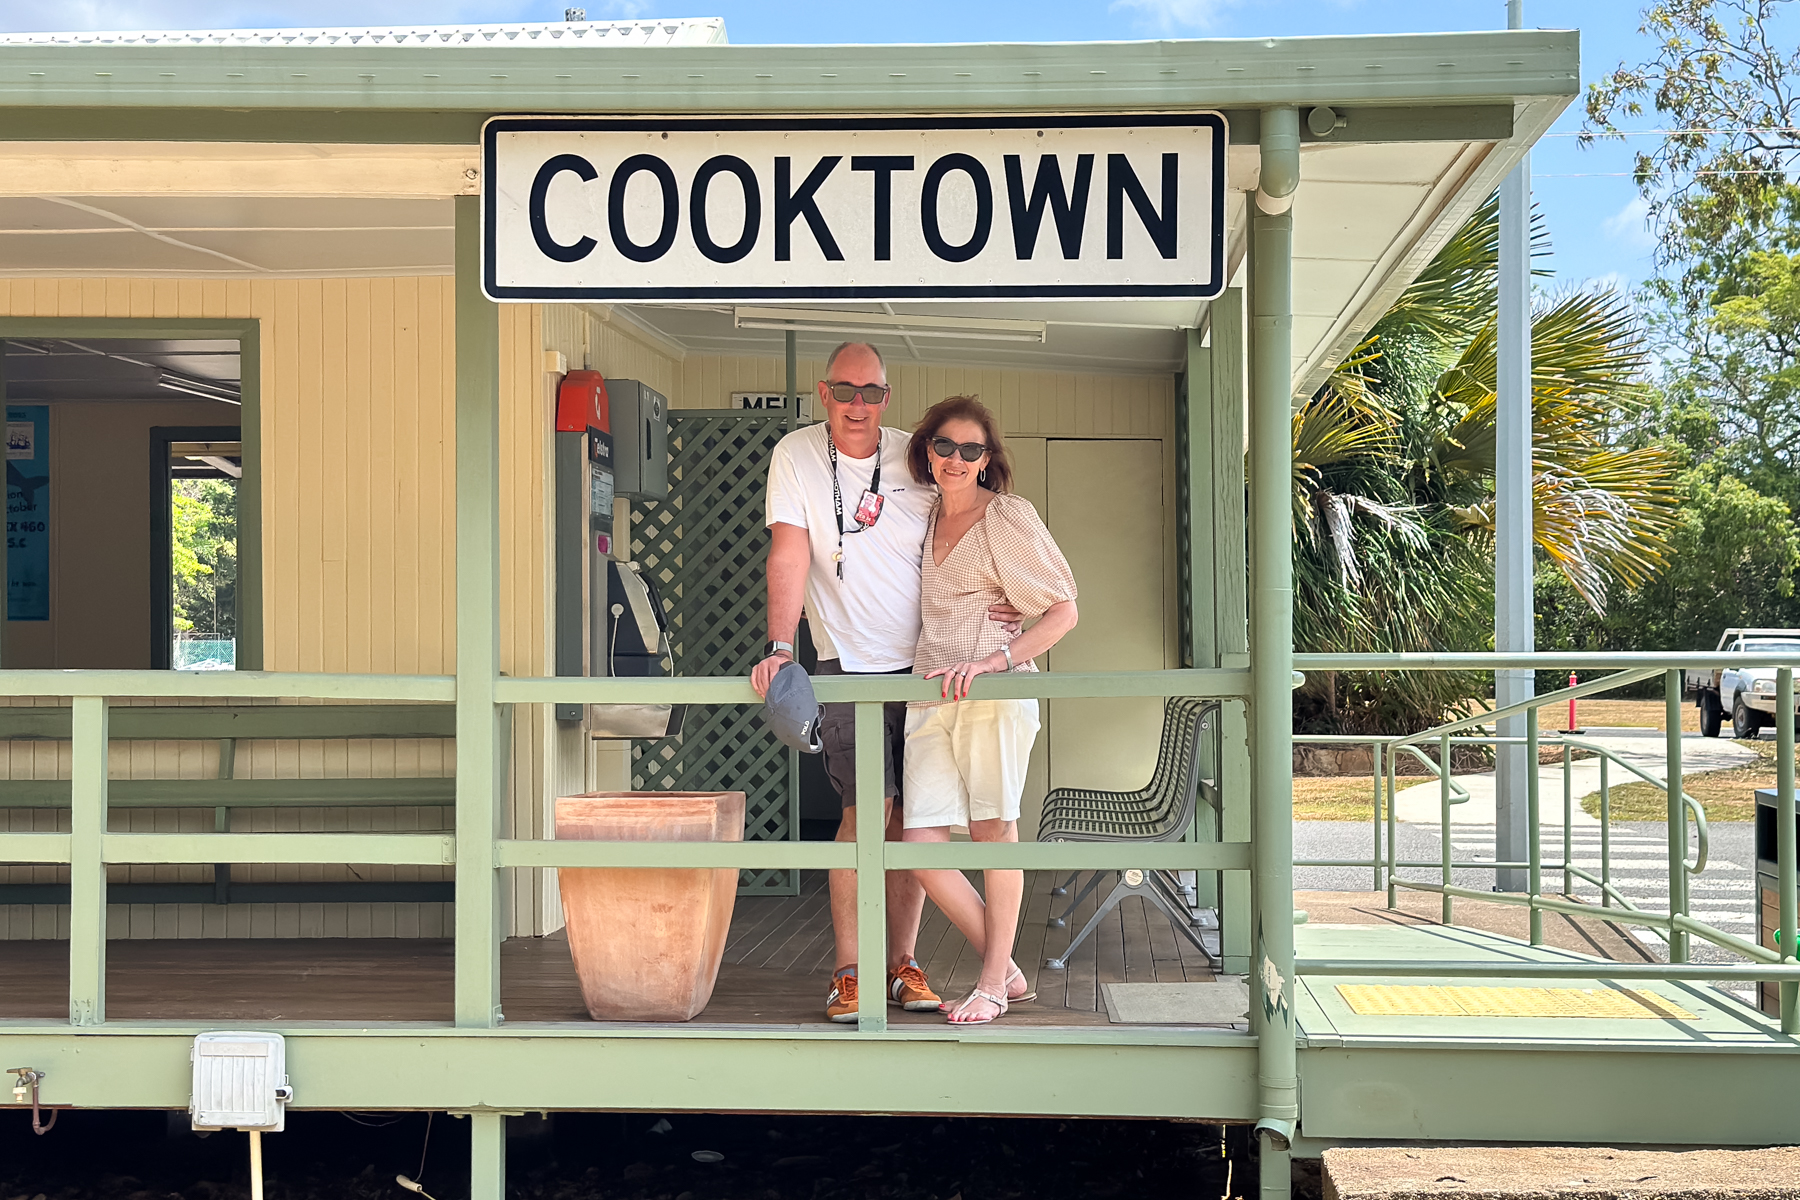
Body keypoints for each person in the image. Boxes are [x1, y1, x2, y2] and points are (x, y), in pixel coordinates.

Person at [751, 343, 1020, 1023]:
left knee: (917, 821)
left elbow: (980, 518)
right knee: (864, 815)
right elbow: (787, 552)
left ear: (887, 397)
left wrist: (1013, 594)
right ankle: (852, 971)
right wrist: (781, 648)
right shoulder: (797, 456)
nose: (856, 405)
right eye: (844, 391)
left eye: (870, 392)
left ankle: (902, 964)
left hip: (929, 666)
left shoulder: (918, 456)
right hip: (848, 664)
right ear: (824, 392)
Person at [902, 395, 1079, 1025]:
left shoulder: (1005, 516)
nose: (955, 458)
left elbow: (1063, 609)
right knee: (919, 842)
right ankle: (1003, 968)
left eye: (970, 449)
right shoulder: (922, 516)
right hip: (928, 695)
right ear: (928, 451)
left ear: (987, 459)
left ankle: (991, 986)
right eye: (944, 445)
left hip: (992, 698)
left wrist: (995, 662)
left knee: (991, 831)